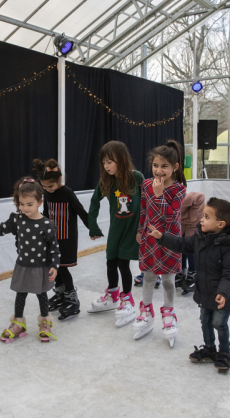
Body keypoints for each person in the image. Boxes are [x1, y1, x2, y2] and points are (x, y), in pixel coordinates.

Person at [147, 198, 230, 372]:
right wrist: (162, 237)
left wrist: (223, 293)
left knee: (219, 323)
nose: (201, 219)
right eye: (202, 215)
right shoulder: (201, 237)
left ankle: (224, 353)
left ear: (221, 224)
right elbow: (181, 244)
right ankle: (209, 348)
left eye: (207, 217)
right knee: (205, 320)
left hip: (223, 296)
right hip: (205, 291)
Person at [0, 177, 60, 343]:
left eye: (29, 204)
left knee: (41, 294)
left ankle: (45, 322)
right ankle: (18, 323)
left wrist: (55, 265)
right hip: (23, 266)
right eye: (21, 204)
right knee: (21, 294)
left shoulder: (46, 224)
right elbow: (0, 229)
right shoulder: (17, 220)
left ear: (40, 202)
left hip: (40, 267)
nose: (24, 208)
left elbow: (54, 248)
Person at [133, 141, 187, 345]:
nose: (159, 170)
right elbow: (144, 210)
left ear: (175, 167)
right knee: (148, 276)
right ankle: (146, 311)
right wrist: (140, 229)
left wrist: (159, 195)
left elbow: (170, 217)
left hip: (169, 240)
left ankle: (169, 313)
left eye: (164, 166)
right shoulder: (147, 184)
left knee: (167, 280)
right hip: (149, 240)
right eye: (156, 165)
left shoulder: (179, 189)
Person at [88, 141, 144, 328]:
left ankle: (127, 299)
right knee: (110, 261)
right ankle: (112, 294)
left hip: (132, 230)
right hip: (116, 230)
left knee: (123, 263)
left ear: (121, 159)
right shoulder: (106, 181)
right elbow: (94, 202)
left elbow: (147, 203)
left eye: (110, 162)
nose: (106, 166)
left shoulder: (136, 177)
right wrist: (93, 226)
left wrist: (143, 228)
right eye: (104, 163)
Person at [33, 158, 89, 321]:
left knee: (62, 268)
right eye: (44, 187)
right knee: (52, 266)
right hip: (52, 237)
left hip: (66, 239)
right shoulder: (47, 193)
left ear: (59, 180)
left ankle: (72, 299)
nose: (47, 189)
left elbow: (81, 211)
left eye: (50, 186)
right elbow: (46, 212)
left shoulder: (67, 193)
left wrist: (92, 228)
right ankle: (61, 293)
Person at [178, 191, 206, 295]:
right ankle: (181, 272)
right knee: (181, 246)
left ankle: (193, 273)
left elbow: (194, 219)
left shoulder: (194, 197)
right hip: (182, 223)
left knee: (191, 247)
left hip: (192, 225)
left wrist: (188, 216)